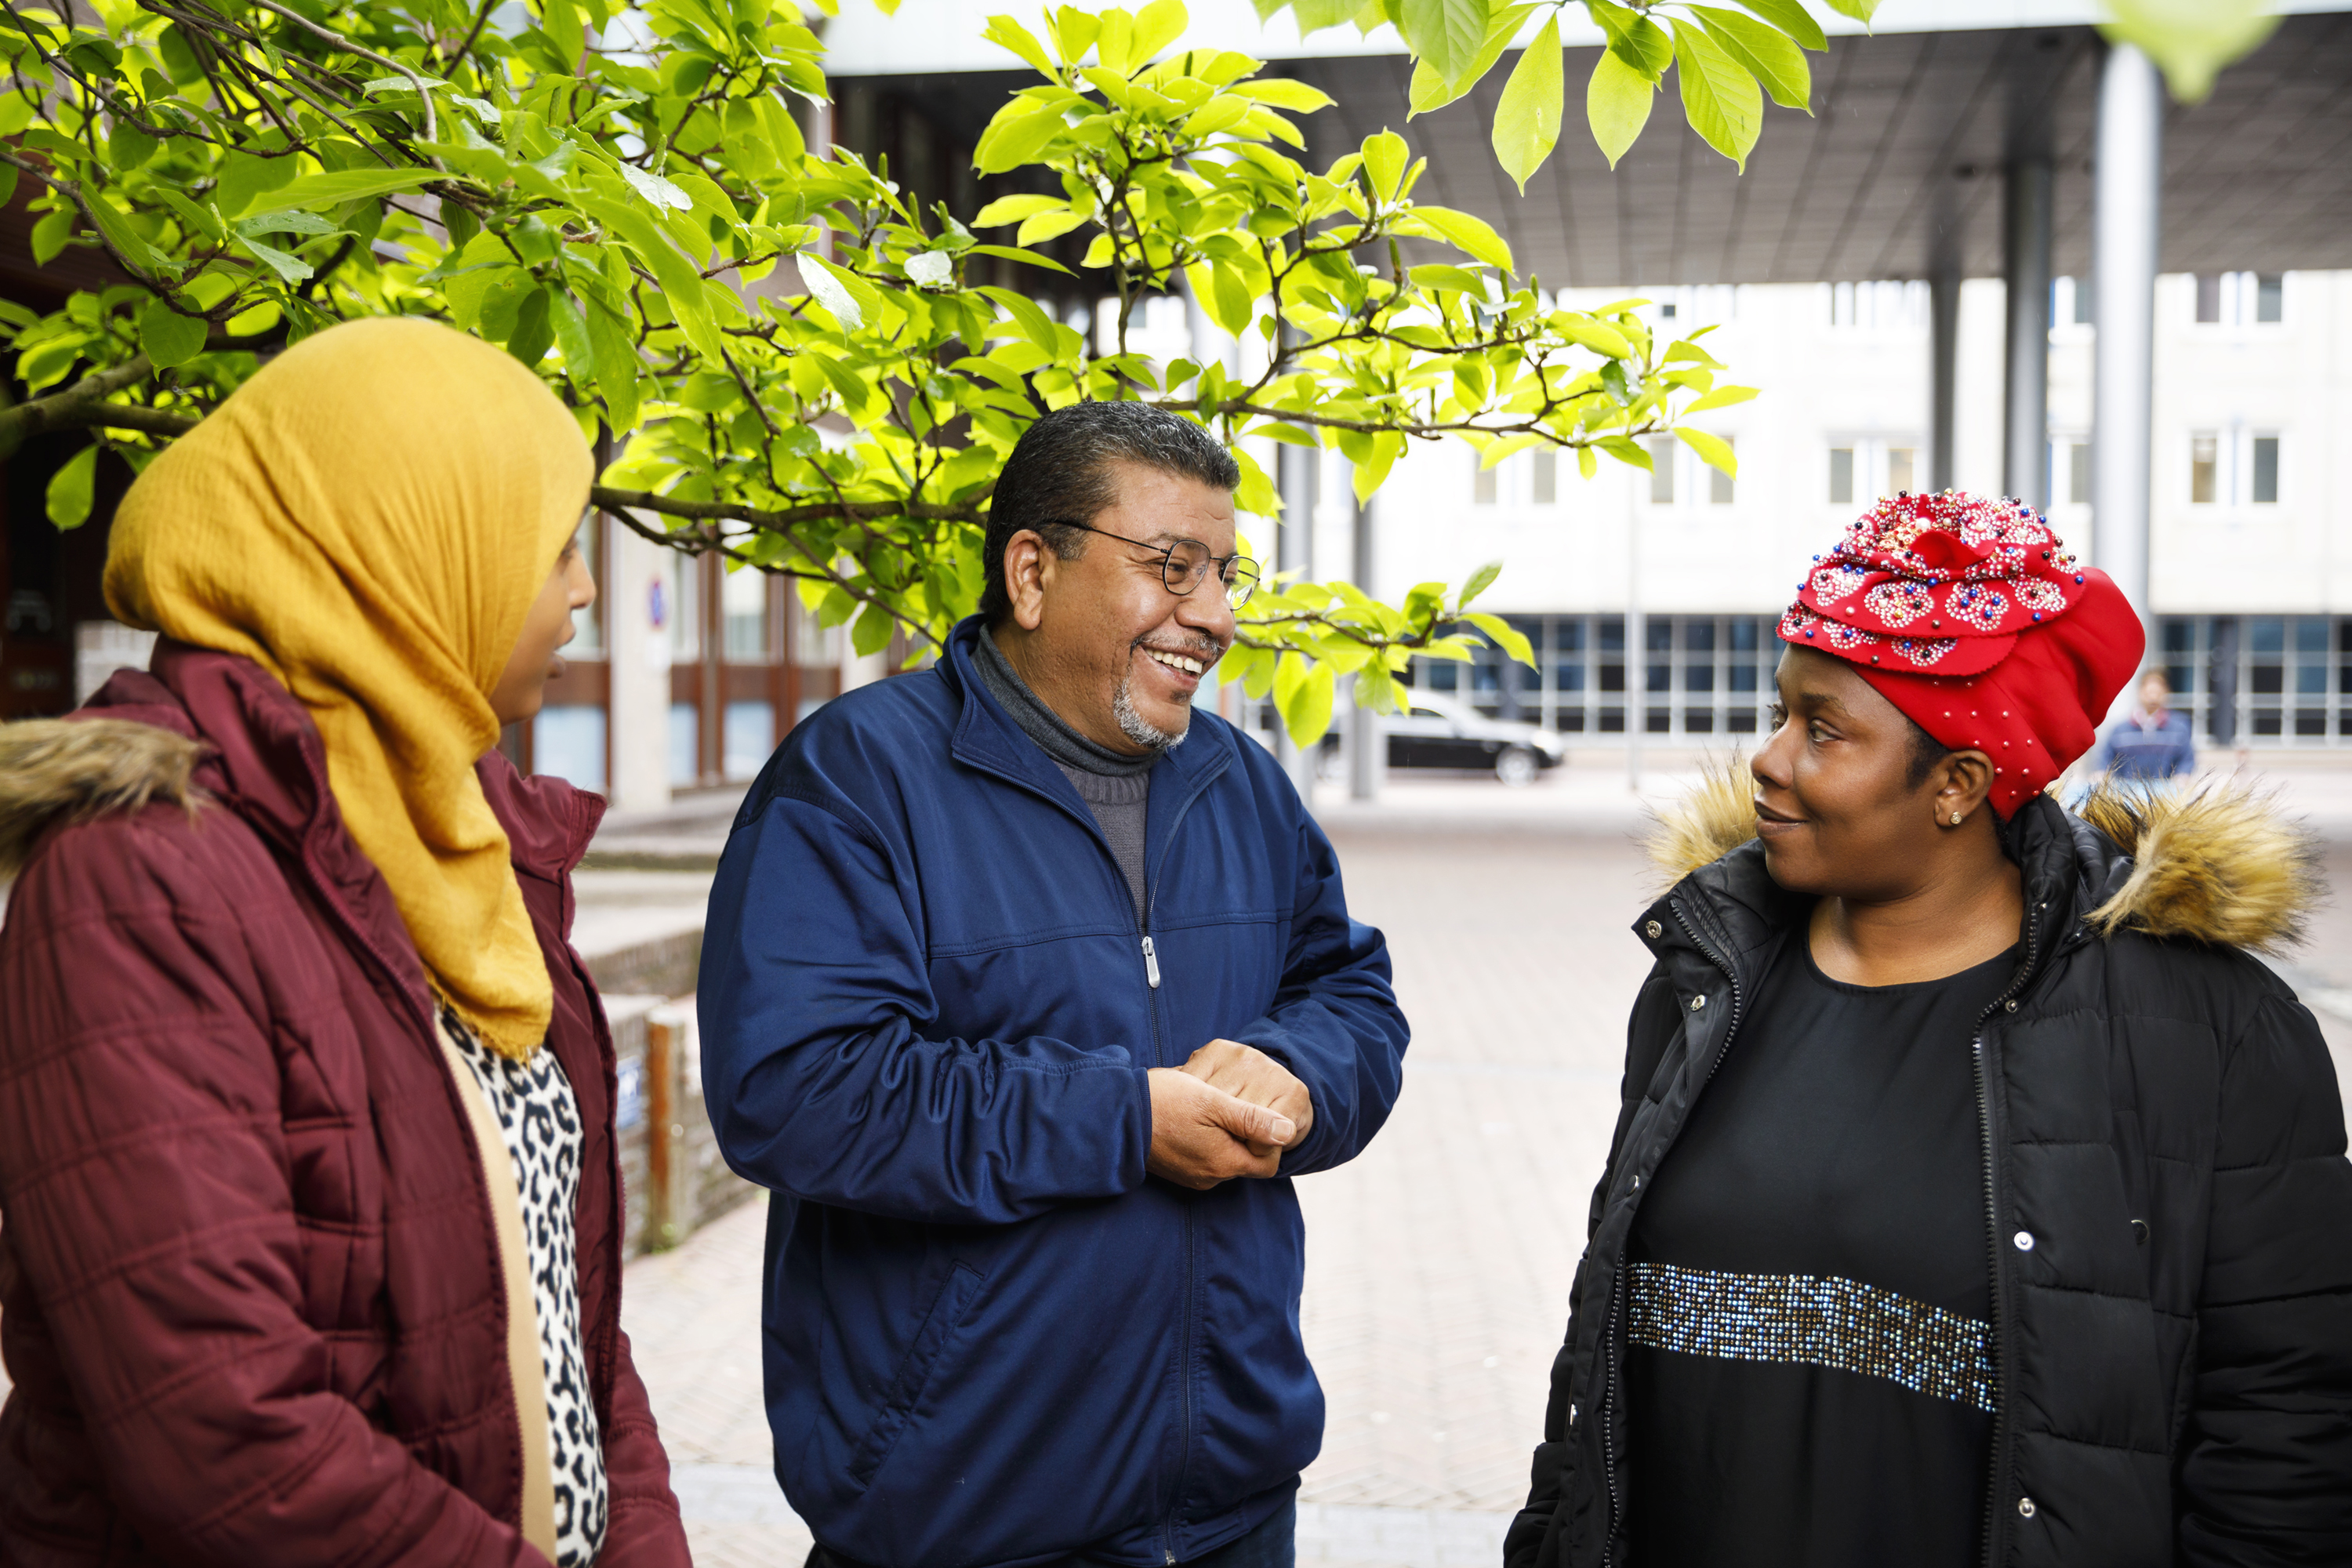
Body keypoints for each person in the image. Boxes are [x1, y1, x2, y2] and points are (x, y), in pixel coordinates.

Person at [1508, 492, 2352, 1568]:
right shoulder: (1705, 978)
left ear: (1958, 785)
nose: (1767, 760)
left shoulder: (2208, 1034)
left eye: (1824, 731)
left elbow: (2285, 1434)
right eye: (1781, 713)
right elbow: (1599, 1351)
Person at [0, 318, 688, 1566]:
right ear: (404, 554)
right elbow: (218, 1431)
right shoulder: (141, 881)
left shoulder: (477, 851)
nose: (584, 590)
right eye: (553, 548)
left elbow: (569, 1320)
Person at [699, 400, 1411, 1568]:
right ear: (1032, 571)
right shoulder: (857, 779)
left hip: (1230, 1505)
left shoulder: (1240, 784)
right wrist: (1123, 1121)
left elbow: (1352, 996)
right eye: (1172, 568)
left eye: (1226, 574)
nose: (1215, 617)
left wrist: (1301, 1071)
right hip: (963, 1517)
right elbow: (796, 1090)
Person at [2098, 666, 2197, 781]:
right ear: (2140, 692)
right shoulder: (2120, 731)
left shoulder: (2179, 730)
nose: (2153, 698)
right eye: (2149, 693)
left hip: (2165, 795)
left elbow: (2187, 760)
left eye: (2157, 693)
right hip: (2126, 794)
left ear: (2165, 693)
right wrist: (2101, 775)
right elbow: (2104, 761)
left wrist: (2182, 777)